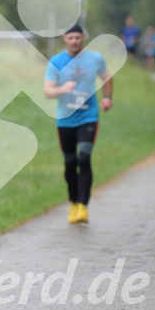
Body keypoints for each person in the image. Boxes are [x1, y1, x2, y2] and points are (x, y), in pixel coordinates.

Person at [43, 24, 113, 224]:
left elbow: (106, 77)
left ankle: (83, 205)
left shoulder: (95, 59)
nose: (74, 41)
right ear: (64, 39)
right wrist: (62, 89)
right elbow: (48, 91)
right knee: (69, 163)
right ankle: (73, 203)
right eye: (70, 38)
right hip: (65, 119)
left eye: (77, 37)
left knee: (84, 158)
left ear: (84, 37)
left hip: (88, 117)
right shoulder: (56, 61)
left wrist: (107, 97)